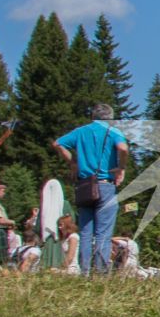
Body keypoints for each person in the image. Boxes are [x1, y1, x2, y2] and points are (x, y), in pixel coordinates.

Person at [55, 104, 128, 274]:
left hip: (85, 185)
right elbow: (123, 148)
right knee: (103, 232)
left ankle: (85, 271)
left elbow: (58, 143)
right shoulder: (113, 131)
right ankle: (101, 272)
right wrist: (121, 167)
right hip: (104, 185)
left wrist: (72, 162)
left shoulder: (81, 131)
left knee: (86, 232)